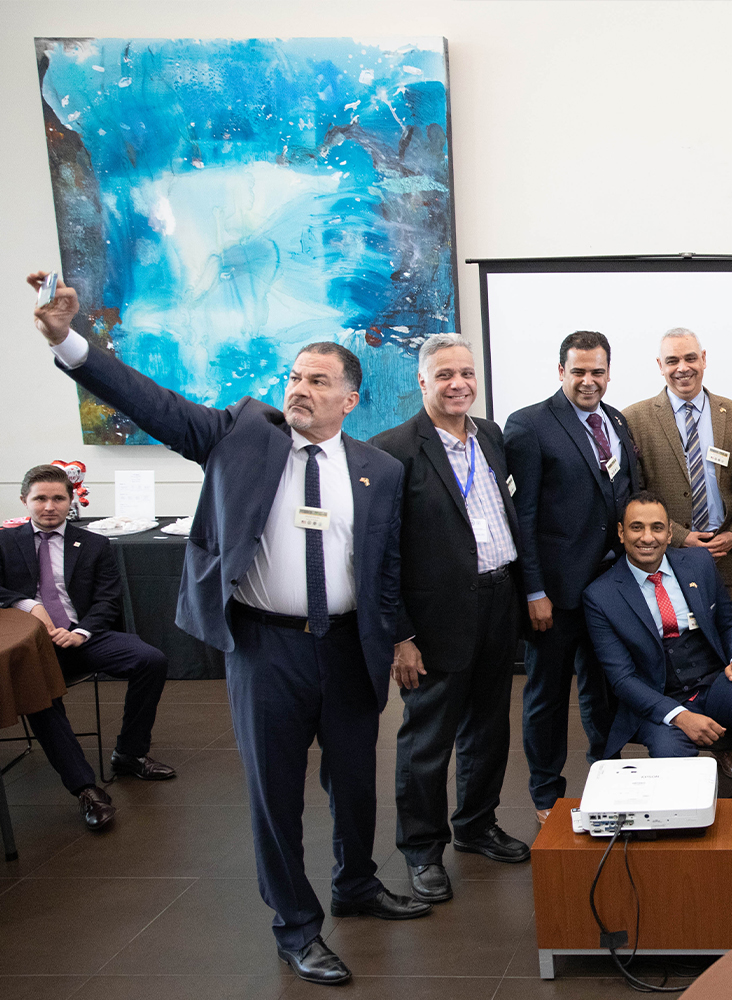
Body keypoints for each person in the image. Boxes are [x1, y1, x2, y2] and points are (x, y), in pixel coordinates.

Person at [27, 271, 426, 987]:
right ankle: (296, 926)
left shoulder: (378, 470)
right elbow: (151, 402)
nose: (299, 389)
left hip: (348, 647)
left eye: (318, 381)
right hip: (266, 647)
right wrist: (70, 341)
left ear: (350, 399)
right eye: (295, 376)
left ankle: (356, 884)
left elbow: (385, 566)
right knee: (275, 794)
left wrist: (398, 634)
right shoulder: (240, 433)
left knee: (356, 782)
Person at [369, 334, 530, 906]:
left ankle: (477, 825)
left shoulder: (489, 435)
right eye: (444, 375)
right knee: (427, 739)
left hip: (498, 600)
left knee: (488, 727)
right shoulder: (392, 451)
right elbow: (381, 555)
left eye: (466, 373)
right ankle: (421, 850)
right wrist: (401, 636)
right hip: (435, 618)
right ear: (422, 381)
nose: (458, 384)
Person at [582, 491, 732, 884]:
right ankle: (691, 861)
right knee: (671, 759)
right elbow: (621, 679)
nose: (647, 537)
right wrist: (680, 716)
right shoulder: (600, 595)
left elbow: (728, 621)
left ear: (670, 533)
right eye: (636, 527)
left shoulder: (698, 563)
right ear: (621, 533)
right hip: (659, 699)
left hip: (715, 679)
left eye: (657, 527)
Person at [505, 331, 641, 824]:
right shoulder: (529, 425)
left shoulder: (616, 420)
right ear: (560, 371)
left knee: (604, 691)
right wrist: (534, 590)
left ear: (609, 373)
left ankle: (608, 775)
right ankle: (546, 792)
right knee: (547, 697)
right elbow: (522, 517)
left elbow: (625, 494)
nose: (588, 381)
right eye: (578, 371)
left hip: (609, 589)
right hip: (556, 594)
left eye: (597, 371)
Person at [0, 464, 175, 830]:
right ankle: (85, 789)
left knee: (151, 660)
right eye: (40, 498)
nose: (50, 506)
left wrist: (81, 632)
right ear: (24, 500)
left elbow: (108, 599)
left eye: (58, 498)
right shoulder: (5, 542)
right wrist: (27, 604)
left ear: (71, 501)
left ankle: (129, 753)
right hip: (33, 646)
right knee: (41, 696)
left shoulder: (94, 544)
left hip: (80, 637)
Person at [622, 329, 732, 783]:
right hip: (667, 557)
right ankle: (681, 733)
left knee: (728, 652)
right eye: (672, 361)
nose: (683, 368)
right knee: (681, 651)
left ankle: (728, 746)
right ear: (659, 366)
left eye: (690, 358)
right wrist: (678, 537)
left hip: (728, 557)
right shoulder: (635, 418)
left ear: (704, 359)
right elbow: (636, 492)